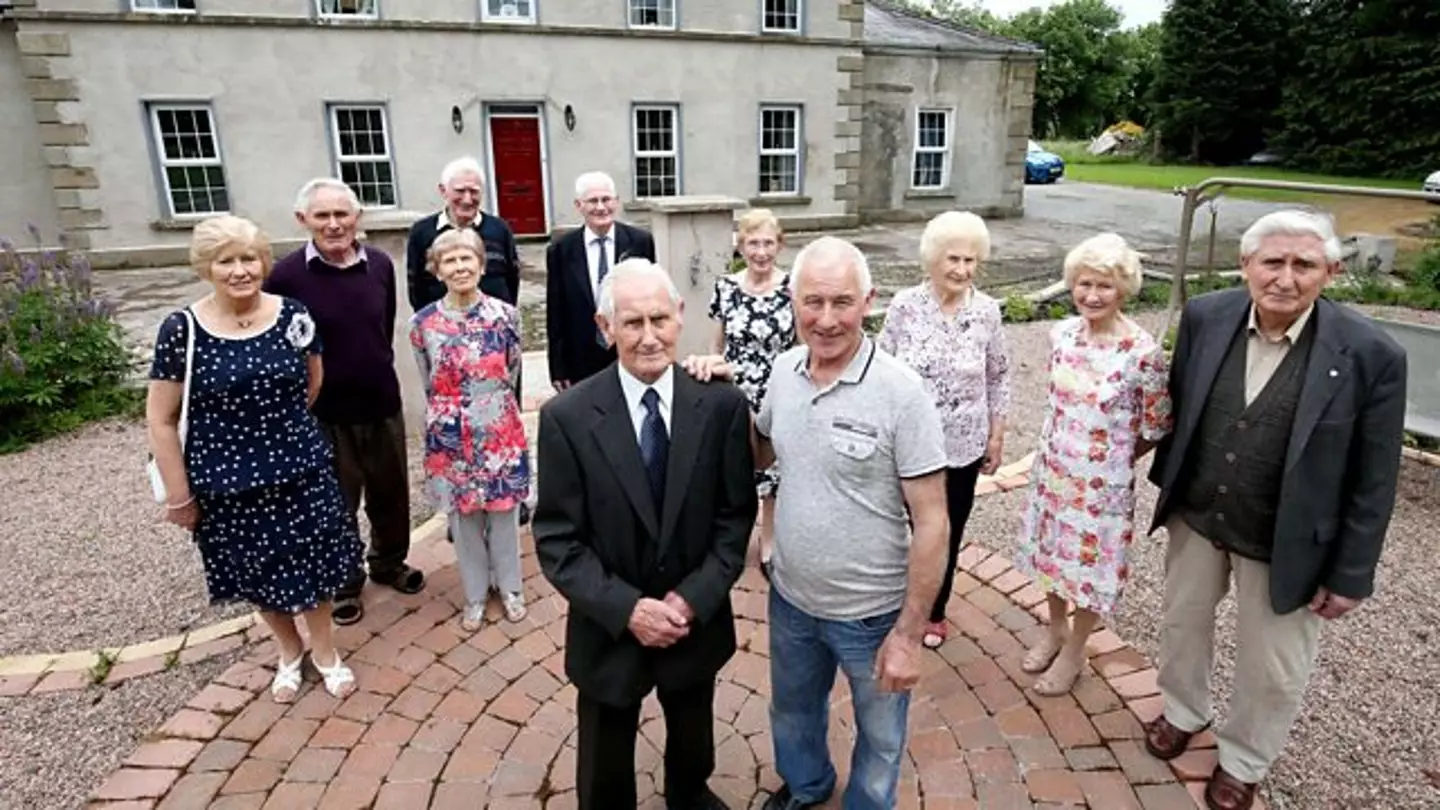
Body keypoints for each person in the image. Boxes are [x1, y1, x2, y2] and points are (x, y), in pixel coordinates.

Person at [1143, 211, 1406, 810]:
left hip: (1290, 539)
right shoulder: (1206, 317)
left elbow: (1375, 479)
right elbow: (1181, 406)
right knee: (1181, 626)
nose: (1286, 278)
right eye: (1273, 262)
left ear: (1331, 272)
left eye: (1304, 265)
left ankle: (1243, 759)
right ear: (1246, 266)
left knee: (1274, 666)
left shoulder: (1371, 355)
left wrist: (1350, 574)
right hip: (1199, 516)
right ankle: (1183, 711)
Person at [533, 259, 758, 810]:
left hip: (692, 618)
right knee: (605, 749)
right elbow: (559, 540)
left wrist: (694, 598)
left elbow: (735, 517)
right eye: (632, 323)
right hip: (610, 627)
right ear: (605, 328)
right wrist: (628, 609)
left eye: (660, 318)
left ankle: (689, 790)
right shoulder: (567, 417)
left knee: (691, 721)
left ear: (681, 317)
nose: (650, 336)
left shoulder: (722, 406)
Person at [753, 237, 950, 810]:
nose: (827, 319)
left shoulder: (902, 394)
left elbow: (934, 521)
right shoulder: (783, 371)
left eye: (843, 302)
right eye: (812, 302)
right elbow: (760, 449)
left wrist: (909, 635)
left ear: (869, 301)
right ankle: (807, 787)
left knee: (882, 737)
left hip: (872, 615)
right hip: (790, 599)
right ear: (792, 301)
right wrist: (709, 391)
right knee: (792, 710)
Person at [147, 215, 362, 702]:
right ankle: (289, 650)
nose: (240, 270)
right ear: (207, 266)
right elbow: (161, 418)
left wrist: (276, 436)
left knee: (318, 564)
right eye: (226, 260)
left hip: (300, 471)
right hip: (227, 484)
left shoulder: (293, 316)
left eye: (249, 258)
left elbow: (312, 382)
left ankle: (325, 650)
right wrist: (180, 496)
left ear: (264, 263)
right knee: (256, 571)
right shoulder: (182, 328)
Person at [1012, 233, 1172, 695]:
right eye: (1084, 284)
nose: (1092, 295)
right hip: (1053, 471)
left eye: (1104, 285)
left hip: (1101, 486)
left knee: (1088, 571)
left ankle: (1076, 650)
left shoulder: (1142, 353)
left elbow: (1158, 424)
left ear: (1123, 289)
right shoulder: (1061, 335)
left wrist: (1112, 459)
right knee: (1051, 557)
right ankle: (1055, 630)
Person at [264, 178, 425, 627]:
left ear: (357, 218)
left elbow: (385, 322)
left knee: (391, 494)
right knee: (338, 503)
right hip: (327, 413)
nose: (334, 225)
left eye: (342, 215)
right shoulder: (287, 276)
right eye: (323, 216)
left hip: (381, 400)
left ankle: (389, 563)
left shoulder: (378, 265)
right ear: (304, 221)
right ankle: (345, 582)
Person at [877, 211, 1012, 650]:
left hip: (963, 446)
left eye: (970, 261)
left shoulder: (988, 312)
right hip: (906, 443)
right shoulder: (904, 306)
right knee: (897, 528)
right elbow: (881, 369)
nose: (961, 269)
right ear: (932, 259)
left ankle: (934, 610)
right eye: (953, 258)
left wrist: (996, 434)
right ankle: (889, 599)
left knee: (945, 531)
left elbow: (999, 376)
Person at [409, 229, 531, 632]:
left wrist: (487, 405)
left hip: (498, 423)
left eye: (467, 258)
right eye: (450, 260)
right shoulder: (423, 322)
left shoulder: (506, 315)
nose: (460, 267)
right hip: (449, 431)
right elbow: (428, 379)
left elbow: (511, 368)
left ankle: (511, 588)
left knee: (503, 513)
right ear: (437, 270)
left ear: (481, 265)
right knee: (464, 519)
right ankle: (476, 594)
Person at [706, 208, 796, 577]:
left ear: (779, 245)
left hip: (779, 393)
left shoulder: (793, 288)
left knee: (776, 473)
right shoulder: (726, 288)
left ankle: (769, 542)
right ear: (741, 246)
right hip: (736, 395)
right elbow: (715, 346)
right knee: (734, 472)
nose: (761, 251)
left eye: (768, 243)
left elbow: (803, 348)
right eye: (753, 243)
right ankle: (731, 541)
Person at [545, 171, 656, 390]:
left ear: (616, 201)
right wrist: (558, 368)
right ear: (579, 205)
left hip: (629, 350)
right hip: (581, 358)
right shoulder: (561, 250)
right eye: (592, 201)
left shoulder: (640, 242)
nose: (601, 207)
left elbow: (650, 300)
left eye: (606, 199)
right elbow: (555, 313)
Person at [405, 156, 522, 311]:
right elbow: (416, 288)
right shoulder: (421, 233)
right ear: (443, 191)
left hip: (493, 326)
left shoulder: (500, 229)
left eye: (474, 191)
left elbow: (512, 280)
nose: (467, 199)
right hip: (442, 328)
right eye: (460, 191)